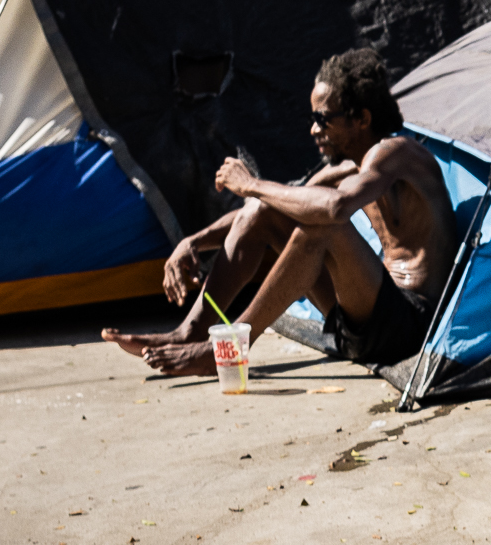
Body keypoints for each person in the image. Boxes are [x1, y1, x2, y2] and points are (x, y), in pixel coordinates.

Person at [103, 49, 459, 376]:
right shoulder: (352, 168)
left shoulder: (397, 153)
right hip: (361, 323)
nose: (314, 129)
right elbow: (272, 206)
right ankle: (189, 332)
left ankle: (230, 347)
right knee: (262, 210)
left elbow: (334, 208)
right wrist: (192, 243)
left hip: (408, 324)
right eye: (312, 118)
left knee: (322, 225)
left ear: (361, 118)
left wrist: (251, 184)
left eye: (323, 119)